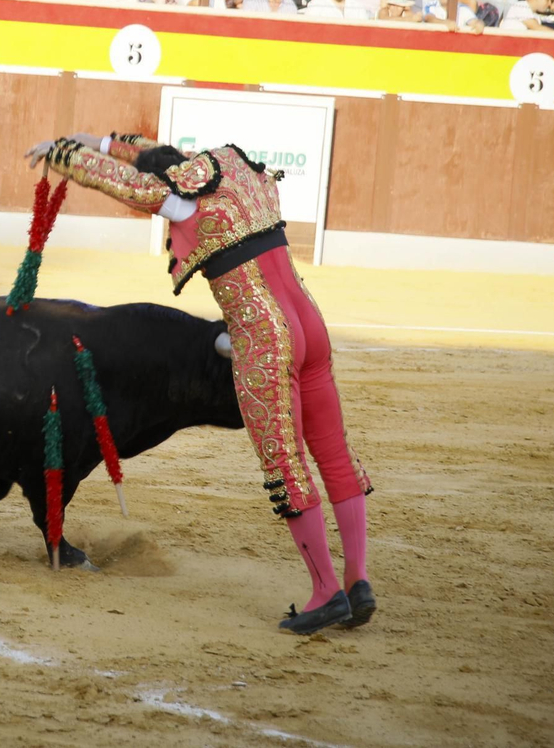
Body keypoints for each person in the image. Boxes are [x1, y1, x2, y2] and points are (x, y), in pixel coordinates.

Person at [25, 134, 373, 632]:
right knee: (335, 452)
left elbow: (126, 182)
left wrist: (63, 154)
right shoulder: (243, 177)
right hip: (312, 327)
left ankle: (325, 593)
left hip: (266, 335)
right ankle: (358, 580)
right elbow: (156, 154)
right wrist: (104, 139)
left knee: (286, 464)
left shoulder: (182, 204)